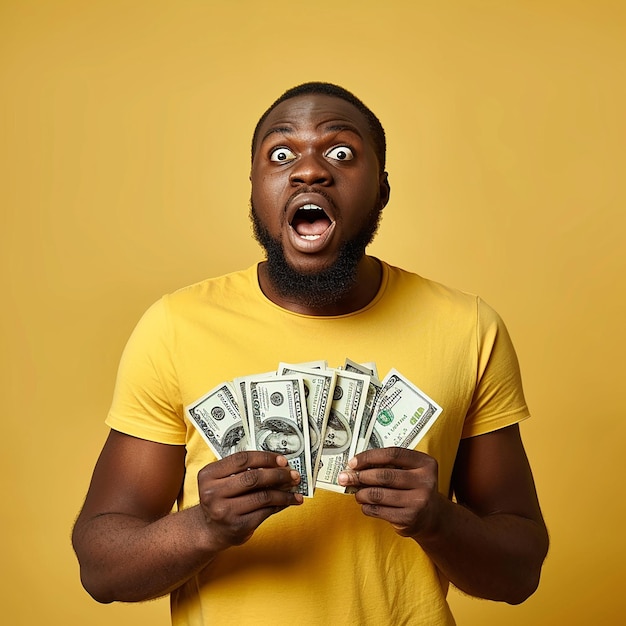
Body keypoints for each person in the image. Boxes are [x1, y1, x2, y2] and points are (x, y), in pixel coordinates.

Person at [72, 82, 549, 625]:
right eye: (281, 154)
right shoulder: (174, 327)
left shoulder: (468, 328)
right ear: (254, 189)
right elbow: (101, 570)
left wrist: (438, 519)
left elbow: (519, 575)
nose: (310, 171)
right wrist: (204, 525)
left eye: (341, 153)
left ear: (383, 190)